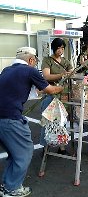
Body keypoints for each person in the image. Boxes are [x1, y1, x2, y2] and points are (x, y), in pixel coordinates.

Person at [0, 47, 63, 197]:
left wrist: (45, 89)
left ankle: (7, 185)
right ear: (31, 60)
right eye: (35, 61)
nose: (36, 64)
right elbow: (49, 90)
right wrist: (61, 87)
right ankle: (12, 189)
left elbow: (22, 90)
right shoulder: (30, 70)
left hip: (2, 118)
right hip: (11, 119)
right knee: (24, 152)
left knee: (14, 153)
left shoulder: (7, 70)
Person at [40, 37, 73, 154]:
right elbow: (46, 76)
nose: (61, 50)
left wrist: (69, 74)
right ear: (54, 48)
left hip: (63, 95)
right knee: (48, 121)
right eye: (58, 48)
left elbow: (72, 72)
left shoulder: (65, 61)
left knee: (62, 122)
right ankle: (45, 147)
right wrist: (62, 75)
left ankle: (62, 147)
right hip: (51, 94)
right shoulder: (47, 60)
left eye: (62, 48)